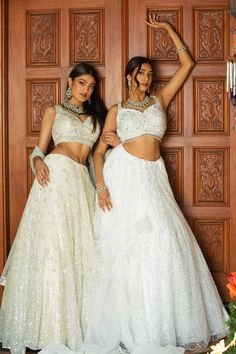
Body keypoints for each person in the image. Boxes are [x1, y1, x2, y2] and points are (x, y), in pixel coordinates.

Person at [83, 17, 229, 354]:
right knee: (130, 248)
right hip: (124, 177)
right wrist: (102, 186)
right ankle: (131, 326)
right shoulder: (117, 110)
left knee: (163, 241)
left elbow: (187, 63)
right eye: (143, 73)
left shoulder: (159, 99)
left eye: (150, 74)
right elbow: (99, 152)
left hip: (153, 177)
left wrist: (166, 30)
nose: (148, 78)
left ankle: (161, 325)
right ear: (129, 76)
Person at [0, 63, 109, 354]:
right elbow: (39, 149)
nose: (86, 90)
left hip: (80, 183)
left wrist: (100, 187)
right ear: (70, 82)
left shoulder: (97, 117)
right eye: (82, 83)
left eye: (91, 86)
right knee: (52, 249)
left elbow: (95, 157)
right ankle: (48, 327)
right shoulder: (54, 111)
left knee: (79, 253)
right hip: (56, 175)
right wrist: (36, 162)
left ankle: (74, 326)